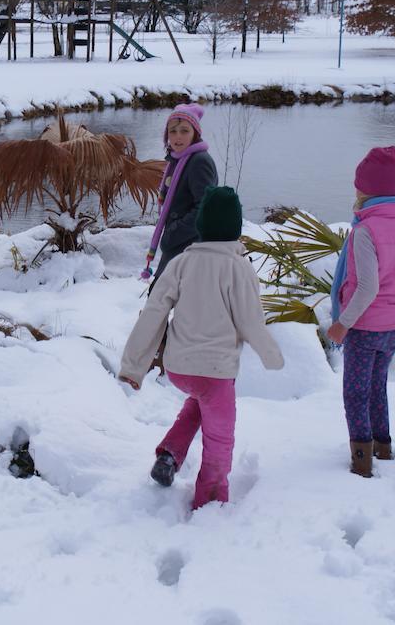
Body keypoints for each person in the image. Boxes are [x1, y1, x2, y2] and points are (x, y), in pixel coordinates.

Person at [120, 187, 285, 510]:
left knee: (198, 403)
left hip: (179, 369)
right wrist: (272, 357)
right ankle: (210, 498)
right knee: (220, 439)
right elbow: (251, 322)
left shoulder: (181, 264)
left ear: (202, 226)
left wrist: (133, 366)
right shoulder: (239, 268)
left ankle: (169, 454)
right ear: (236, 229)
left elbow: (154, 312)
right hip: (216, 372)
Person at [327, 147, 395, 478]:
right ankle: (383, 448)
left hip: (364, 328)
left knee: (356, 393)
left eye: (358, 184)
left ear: (367, 189)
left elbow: (367, 288)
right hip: (394, 327)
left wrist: (342, 325)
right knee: (378, 386)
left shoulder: (365, 231)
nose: (355, 189)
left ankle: (362, 461)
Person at [140, 103, 218, 284]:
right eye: (173, 131)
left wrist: (173, 233)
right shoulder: (178, 159)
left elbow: (205, 208)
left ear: (195, 133)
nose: (178, 137)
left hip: (190, 246)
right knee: (162, 298)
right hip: (179, 245)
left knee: (163, 298)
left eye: (184, 131)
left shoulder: (199, 161)